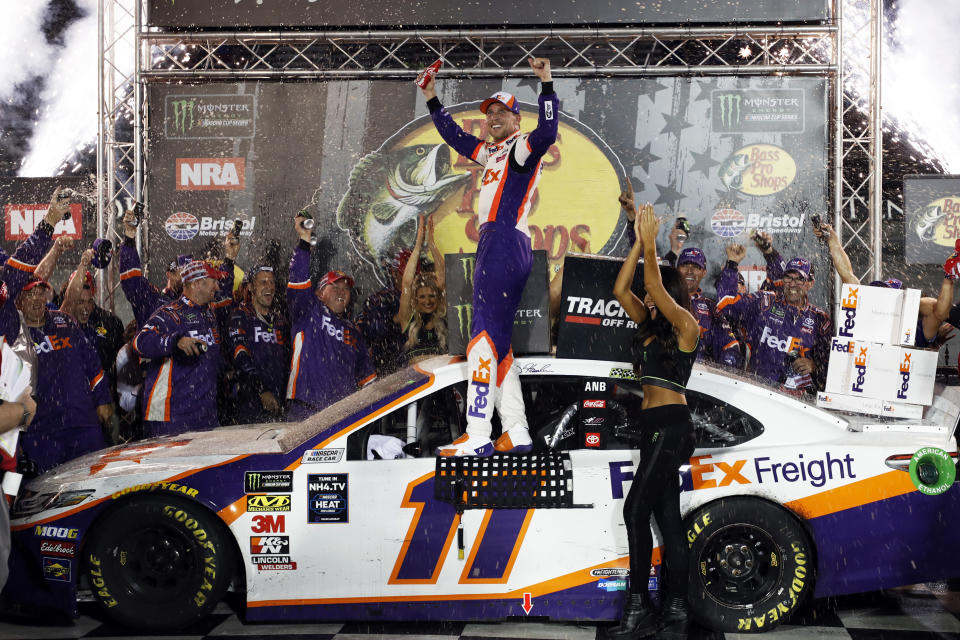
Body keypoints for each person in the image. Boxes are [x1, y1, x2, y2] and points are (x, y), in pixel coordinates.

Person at [419, 56, 558, 456]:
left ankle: (478, 432)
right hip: (502, 243)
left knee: (480, 338)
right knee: (498, 345)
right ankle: (516, 430)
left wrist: (546, 83)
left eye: (502, 112)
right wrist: (431, 97)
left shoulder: (520, 148)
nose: (493, 117)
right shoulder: (493, 152)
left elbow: (547, 132)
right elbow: (456, 138)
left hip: (502, 242)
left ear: (517, 120)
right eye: (489, 112)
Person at [611, 199, 700, 638]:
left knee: (634, 512)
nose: (648, 298)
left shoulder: (686, 325)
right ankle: (677, 610)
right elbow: (620, 289)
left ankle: (637, 608)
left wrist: (648, 242)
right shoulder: (648, 326)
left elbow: (649, 281)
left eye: (657, 292)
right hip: (653, 429)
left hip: (672, 427)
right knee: (666, 518)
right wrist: (636, 245)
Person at [16, 278, 112, 475]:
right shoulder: (13, 334)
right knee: (46, 494)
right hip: (42, 431)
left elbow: (92, 363)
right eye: (30, 294)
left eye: (41, 294)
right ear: (20, 300)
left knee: (97, 481)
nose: (37, 300)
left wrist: (102, 400)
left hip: (82, 421)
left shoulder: (65, 321)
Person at [285, 215, 376, 422]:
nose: (341, 291)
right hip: (305, 410)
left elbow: (368, 382)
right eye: (334, 286)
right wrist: (304, 242)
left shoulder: (353, 333)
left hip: (340, 419)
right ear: (319, 292)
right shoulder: (308, 309)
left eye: (346, 288)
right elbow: (298, 277)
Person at [716, 240, 831, 394]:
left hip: (798, 403)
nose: (792, 284)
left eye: (799, 279)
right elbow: (725, 305)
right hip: (757, 392)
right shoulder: (764, 302)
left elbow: (833, 364)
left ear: (810, 283)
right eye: (788, 277)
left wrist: (814, 365)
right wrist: (732, 263)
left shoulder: (820, 320)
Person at [132, 260, 226, 438]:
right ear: (197, 283)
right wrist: (175, 342)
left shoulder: (209, 314)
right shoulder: (169, 313)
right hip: (171, 416)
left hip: (205, 415)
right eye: (213, 280)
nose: (218, 286)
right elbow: (139, 342)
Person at [117, 209, 236, 329]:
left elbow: (222, 292)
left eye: (191, 273)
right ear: (170, 275)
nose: (187, 277)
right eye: (183, 271)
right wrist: (129, 239)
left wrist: (229, 259)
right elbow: (131, 280)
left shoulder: (203, 304)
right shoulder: (152, 299)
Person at [227, 266, 291, 423]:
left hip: (279, 405)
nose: (269, 287)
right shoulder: (240, 315)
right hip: (250, 406)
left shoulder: (280, 320)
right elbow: (240, 357)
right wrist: (261, 389)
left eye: (272, 282)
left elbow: (288, 361)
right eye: (263, 282)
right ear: (251, 287)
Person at [394, 216, 447, 362]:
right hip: (417, 381)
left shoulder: (443, 315)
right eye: (422, 297)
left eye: (431, 296)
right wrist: (417, 246)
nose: (427, 301)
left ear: (438, 297)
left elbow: (443, 278)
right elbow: (406, 284)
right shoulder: (407, 318)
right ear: (415, 299)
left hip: (441, 381)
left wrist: (432, 244)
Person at [357, 249, 411, 377]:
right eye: (406, 272)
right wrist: (394, 320)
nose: (411, 276)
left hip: (423, 366)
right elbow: (365, 331)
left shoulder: (424, 297)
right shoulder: (379, 299)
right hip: (390, 373)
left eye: (414, 271)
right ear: (393, 272)